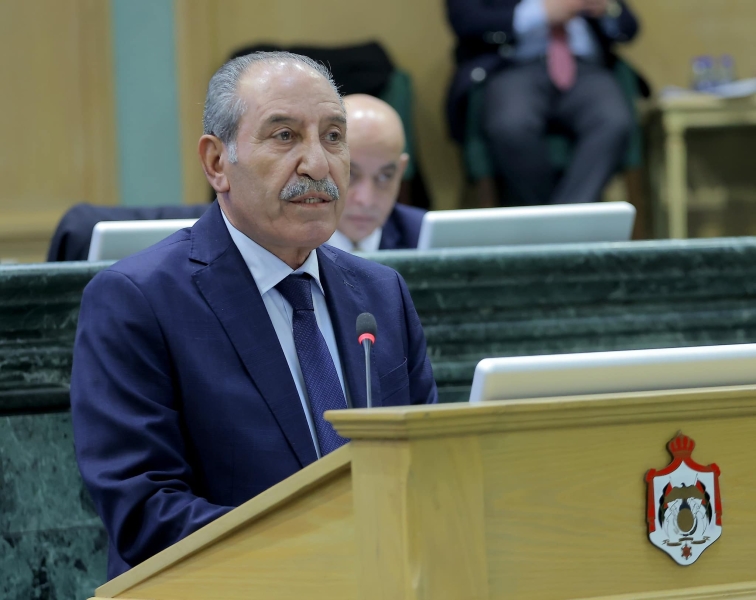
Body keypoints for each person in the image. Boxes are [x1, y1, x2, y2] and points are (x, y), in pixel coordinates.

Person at [70, 51, 437, 579]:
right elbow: (146, 511)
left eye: (333, 136)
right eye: (285, 136)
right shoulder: (137, 301)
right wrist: (325, 553)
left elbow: (426, 467)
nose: (318, 165)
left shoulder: (381, 294)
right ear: (217, 162)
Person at [446, 0, 640, 205]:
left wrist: (608, 9)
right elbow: (465, 20)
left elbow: (629, 28)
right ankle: (551, 214)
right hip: (513, 66)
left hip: (586, 69)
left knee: (614, 119)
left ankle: (566, 215)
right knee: (510, 123)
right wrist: (538, 13)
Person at [327, 94, 426, 252]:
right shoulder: (288, 244)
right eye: (350, 174)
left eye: (385, 176)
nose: (366, 200)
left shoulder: (426, 238)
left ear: (401, 171)